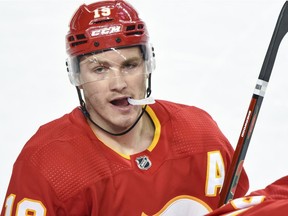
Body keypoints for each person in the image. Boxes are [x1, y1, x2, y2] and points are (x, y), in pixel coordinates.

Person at [7, 0, 288, 215]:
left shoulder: (200, 134)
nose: (118, 83)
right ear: (77, 78)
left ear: (147, 66)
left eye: (130, 65)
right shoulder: (47, 165)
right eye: (99, 69)